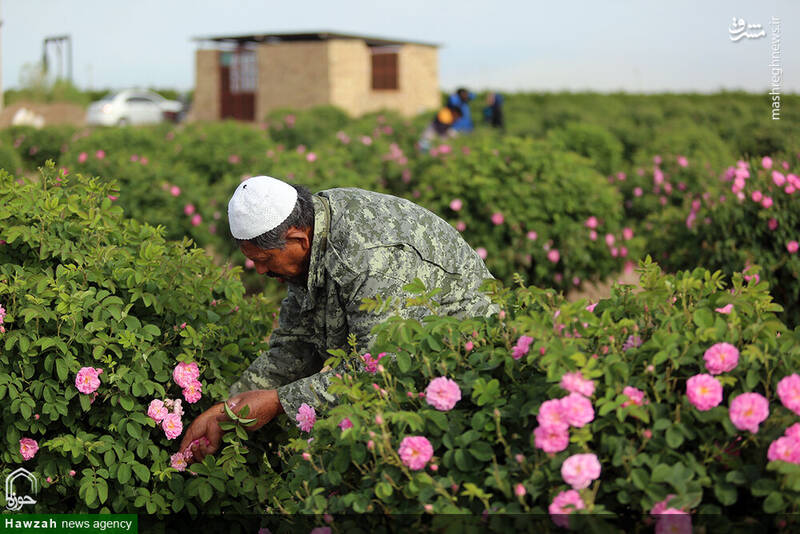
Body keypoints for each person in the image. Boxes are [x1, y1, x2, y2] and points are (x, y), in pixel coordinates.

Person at [179, 176, 496, 462]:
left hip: (475, 359)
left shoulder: (369, 261)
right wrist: (226, 410)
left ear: (296, 240)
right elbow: (293, 348)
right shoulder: (312, 231)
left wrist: (278, 402)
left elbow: (377, 369)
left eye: (264, 261)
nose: (260, 271)